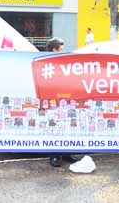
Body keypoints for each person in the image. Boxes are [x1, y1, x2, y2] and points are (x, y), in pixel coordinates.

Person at [45, 37, 78, 167]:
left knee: (65, 127)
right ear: (54, 50)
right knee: (54, 128)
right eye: (61, 49)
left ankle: (66, 153)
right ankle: (54, 156)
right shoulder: (46, 64)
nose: (63, 51)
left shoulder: (63, 64)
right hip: (52, 101)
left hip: (64, 100)